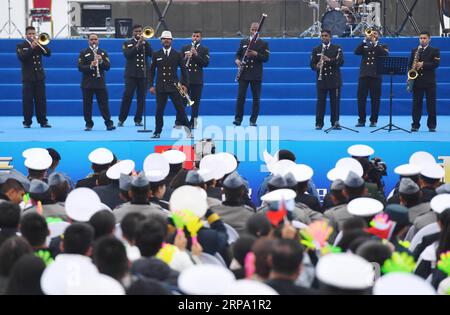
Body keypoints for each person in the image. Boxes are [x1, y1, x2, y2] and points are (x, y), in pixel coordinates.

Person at [149, 31, 192, 139]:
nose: (166, 40)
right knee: (159, 110)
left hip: (174, 86)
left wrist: (185, 84)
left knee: (180, 109)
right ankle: (157, 131)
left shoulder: (177, 54)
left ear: (171, 41)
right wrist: (151, 85)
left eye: (168, 39)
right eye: (164, 39)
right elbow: (151, 71)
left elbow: (184, 70)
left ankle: (188, 131)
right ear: (161, 41)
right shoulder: (156, 54)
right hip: (161, 86)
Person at [233, 22, 270, 127]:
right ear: (250, 29)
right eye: (252, 29)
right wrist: (237, 60)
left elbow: (266, 58)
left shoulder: (264, 43)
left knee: (256, 98)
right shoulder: (244, 41)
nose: (254, 30)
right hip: (244, 73)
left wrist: (256, 54)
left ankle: (253, 120)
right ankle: (238, 119)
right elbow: (238, 54)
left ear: (259, 30)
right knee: (241, 97)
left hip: (256, 74)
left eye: (256, 29)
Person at [78, 33, 116, 131]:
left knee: (104, 104)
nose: (93, 41)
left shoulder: (103, 53)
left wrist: (101, 61)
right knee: (87, 105)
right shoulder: (83, 52)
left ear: (98, 41)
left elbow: (108, 67)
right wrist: (90, 66)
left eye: (95, 39)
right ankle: (88, 124)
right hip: (87, 84)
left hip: (100, 83)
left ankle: (109, 123)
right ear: (88, 41)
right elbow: (80, 67)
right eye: (91, 39)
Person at [16, 26, 51, 128]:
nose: (32, 36)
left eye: (33, 34)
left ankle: (43, 121)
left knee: (41, 100)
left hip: (39, 77)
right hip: (28, 78)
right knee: (27, 101)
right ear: (26, 35)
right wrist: (31, 47)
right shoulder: (21, 46)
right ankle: (27, 122)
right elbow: (22, 58)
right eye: (30, 34)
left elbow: (48, 54)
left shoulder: (39, 44)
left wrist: (41, 45)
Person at [118, 25, 153, 127]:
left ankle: (138, 119)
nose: (138, 33)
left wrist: (145, 43)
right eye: (136, 31)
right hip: (131, 75)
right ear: (132, 32)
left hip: (143, 75)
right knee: (127, 96)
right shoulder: (127, 43)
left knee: (141, 98)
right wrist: (137, 45)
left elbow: (151, 54)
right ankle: (121, 119)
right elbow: (127, 55)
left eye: (140, 31)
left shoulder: (145, 43)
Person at [355, 27, 389, 128]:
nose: (372, 35)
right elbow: (356, 52)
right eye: (371, 33)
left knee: (375, 99)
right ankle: (361, 120)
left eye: (375, 34)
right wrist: (365, 40)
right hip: (364, 75)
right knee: (361, 99)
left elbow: (385, 55)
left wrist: (374, 43)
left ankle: (373, 120)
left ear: (378, 35)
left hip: (376, 76)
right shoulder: (365, 44)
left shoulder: (382, 46)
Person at [310, 29, 344, 130]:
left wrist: (329, 60)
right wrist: (317, 66)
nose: (324, 37)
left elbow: (341, 62)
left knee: (335, 102)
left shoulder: (337, 48)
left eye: (326, 36)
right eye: (322, 36)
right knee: (321, 103)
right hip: (322, 80)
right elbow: (311, 64)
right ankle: (319, 123)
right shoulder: (316, 49)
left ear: (330, 37)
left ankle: (335, 122)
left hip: (334, 79)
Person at [409, 31, 440, 132]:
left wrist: (423, 64)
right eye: (421, 38)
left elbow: (436, 64)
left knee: (431, 105)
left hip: (429, 82)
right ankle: (415, 125)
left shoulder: (434, 50)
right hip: (417, 81)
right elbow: (410, 64)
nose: (422, 40)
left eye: (424, 38)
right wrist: (410, 74)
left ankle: (431, 126)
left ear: (429, 39)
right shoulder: (414, 50)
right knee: (416, 105)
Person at [179, 30, 210, 129]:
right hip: (185, 79)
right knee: (181, 101)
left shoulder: (204, 49)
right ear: (191, 37)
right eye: (194, 36)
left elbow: (205, 63)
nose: (195, 38)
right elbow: (179, 63)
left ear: (201, 38)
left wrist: (196, 55)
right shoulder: (185, 48)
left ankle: (194, 122)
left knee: (195, 103)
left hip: (197, 80)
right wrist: (185, 57)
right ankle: (179, 121)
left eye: (197, 36)